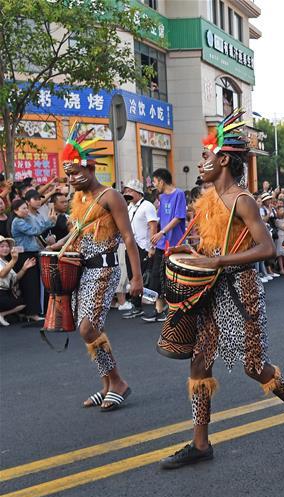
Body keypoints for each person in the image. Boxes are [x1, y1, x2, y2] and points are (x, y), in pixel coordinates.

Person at [159, 110, 284, 469]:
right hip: (211, 291)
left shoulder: (242, 199)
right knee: (199, 361)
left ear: (224, 160)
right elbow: (216, 246)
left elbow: (266, 248)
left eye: (206, 156)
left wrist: (216, 262)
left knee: (253, 365)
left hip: (240, 292)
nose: (201, 162)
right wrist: (195, 253)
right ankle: (201, 443)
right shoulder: (210, 199)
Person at [53, 123, 144, 410]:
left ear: (91, 169)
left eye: (75, 173)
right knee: (91, 330)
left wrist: (136, 278)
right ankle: (106, 384)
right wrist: (61, 244)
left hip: (104, 269)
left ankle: (117, 381)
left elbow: (128, 238)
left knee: (87, 328)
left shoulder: (111, 197)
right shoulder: (81, 198)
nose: (71, 180)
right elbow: (80, 230)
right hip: (83, 270)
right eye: (68, 175)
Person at [142, 168, 187, 322]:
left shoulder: (179, 194)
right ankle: (159, 310)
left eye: (155, 181)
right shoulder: (160, 197)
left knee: (174, 278)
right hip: (162, 244)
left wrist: (162, 232)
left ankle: (175, 310)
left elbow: (178, 217)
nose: (155, 185)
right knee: (157, 276)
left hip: (175, 243)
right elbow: (160, 217)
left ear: (161, 180)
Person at [10, 196, 52, 322]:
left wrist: (46, 221)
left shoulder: (26, 218)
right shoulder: (18, 221)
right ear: (15, 211)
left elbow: (38, 225)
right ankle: (32, 313)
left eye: (26, 208)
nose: (26, 211)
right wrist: (49, 221)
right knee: (30, 285)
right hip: (25, 255)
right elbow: (35, 230)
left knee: (34, 284)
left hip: (31, 253)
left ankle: (33, 311)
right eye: (23, 209)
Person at [122, 180, 158, 319]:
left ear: (138, 192)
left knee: (142, 275)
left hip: (143, 246)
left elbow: (153, 226)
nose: (127, 194)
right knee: (132, 275)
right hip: (130, 245)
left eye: (130, 191)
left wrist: (151, 247)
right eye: (126, 191)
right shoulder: (129, 207)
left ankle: (146, 304)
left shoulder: (147, 206)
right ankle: (136, 306)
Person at [0, 236, 33, 325]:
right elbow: (2, 274)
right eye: (2, 246)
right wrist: (14, 260)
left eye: (7, 246)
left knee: (24, 303)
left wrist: (24, 268)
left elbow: (15, 278)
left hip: (6, 293)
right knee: (21, 304)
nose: (5, 248)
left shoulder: (6, 262)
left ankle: (2, 314)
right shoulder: (9, 262)